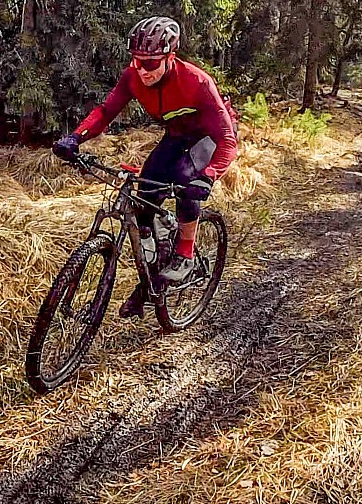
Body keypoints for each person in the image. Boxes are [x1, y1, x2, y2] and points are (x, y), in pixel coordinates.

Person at [52, 16, 238, 319]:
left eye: (150, 63)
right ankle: (151, 279)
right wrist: (75, 138)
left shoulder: (197, 82)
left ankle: (186, 255)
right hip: (176, 136)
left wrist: (209, 176)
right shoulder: (133, 76)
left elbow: (227, 139)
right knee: (143, 202)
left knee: (186, 180)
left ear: (170, 57)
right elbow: (106, 111)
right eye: (137, 61)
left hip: (209, 137)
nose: (142, 70)